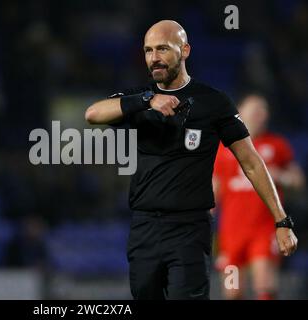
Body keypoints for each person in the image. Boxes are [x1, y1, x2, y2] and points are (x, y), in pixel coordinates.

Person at [84, 20, 298, 300]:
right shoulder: (139, 98)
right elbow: (93, 113)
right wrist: (148, 100)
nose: (154, 58)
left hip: (190, 229)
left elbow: (252, 162)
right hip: (144, 227)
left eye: (163, 49)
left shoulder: (213, 102)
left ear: (185, 50)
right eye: (148, 50)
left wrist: (281, 221)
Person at [213, 94, 305, 300]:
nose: (260, 115)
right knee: (232, 291)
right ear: (240, 112)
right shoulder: (224, 147)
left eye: (263, 111)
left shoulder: (276, 145)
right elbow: (214, 188)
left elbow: (298, 181)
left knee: (264, 284)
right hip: (230, 233)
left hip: (263, 229)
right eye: (254, 110)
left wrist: (280, 176)